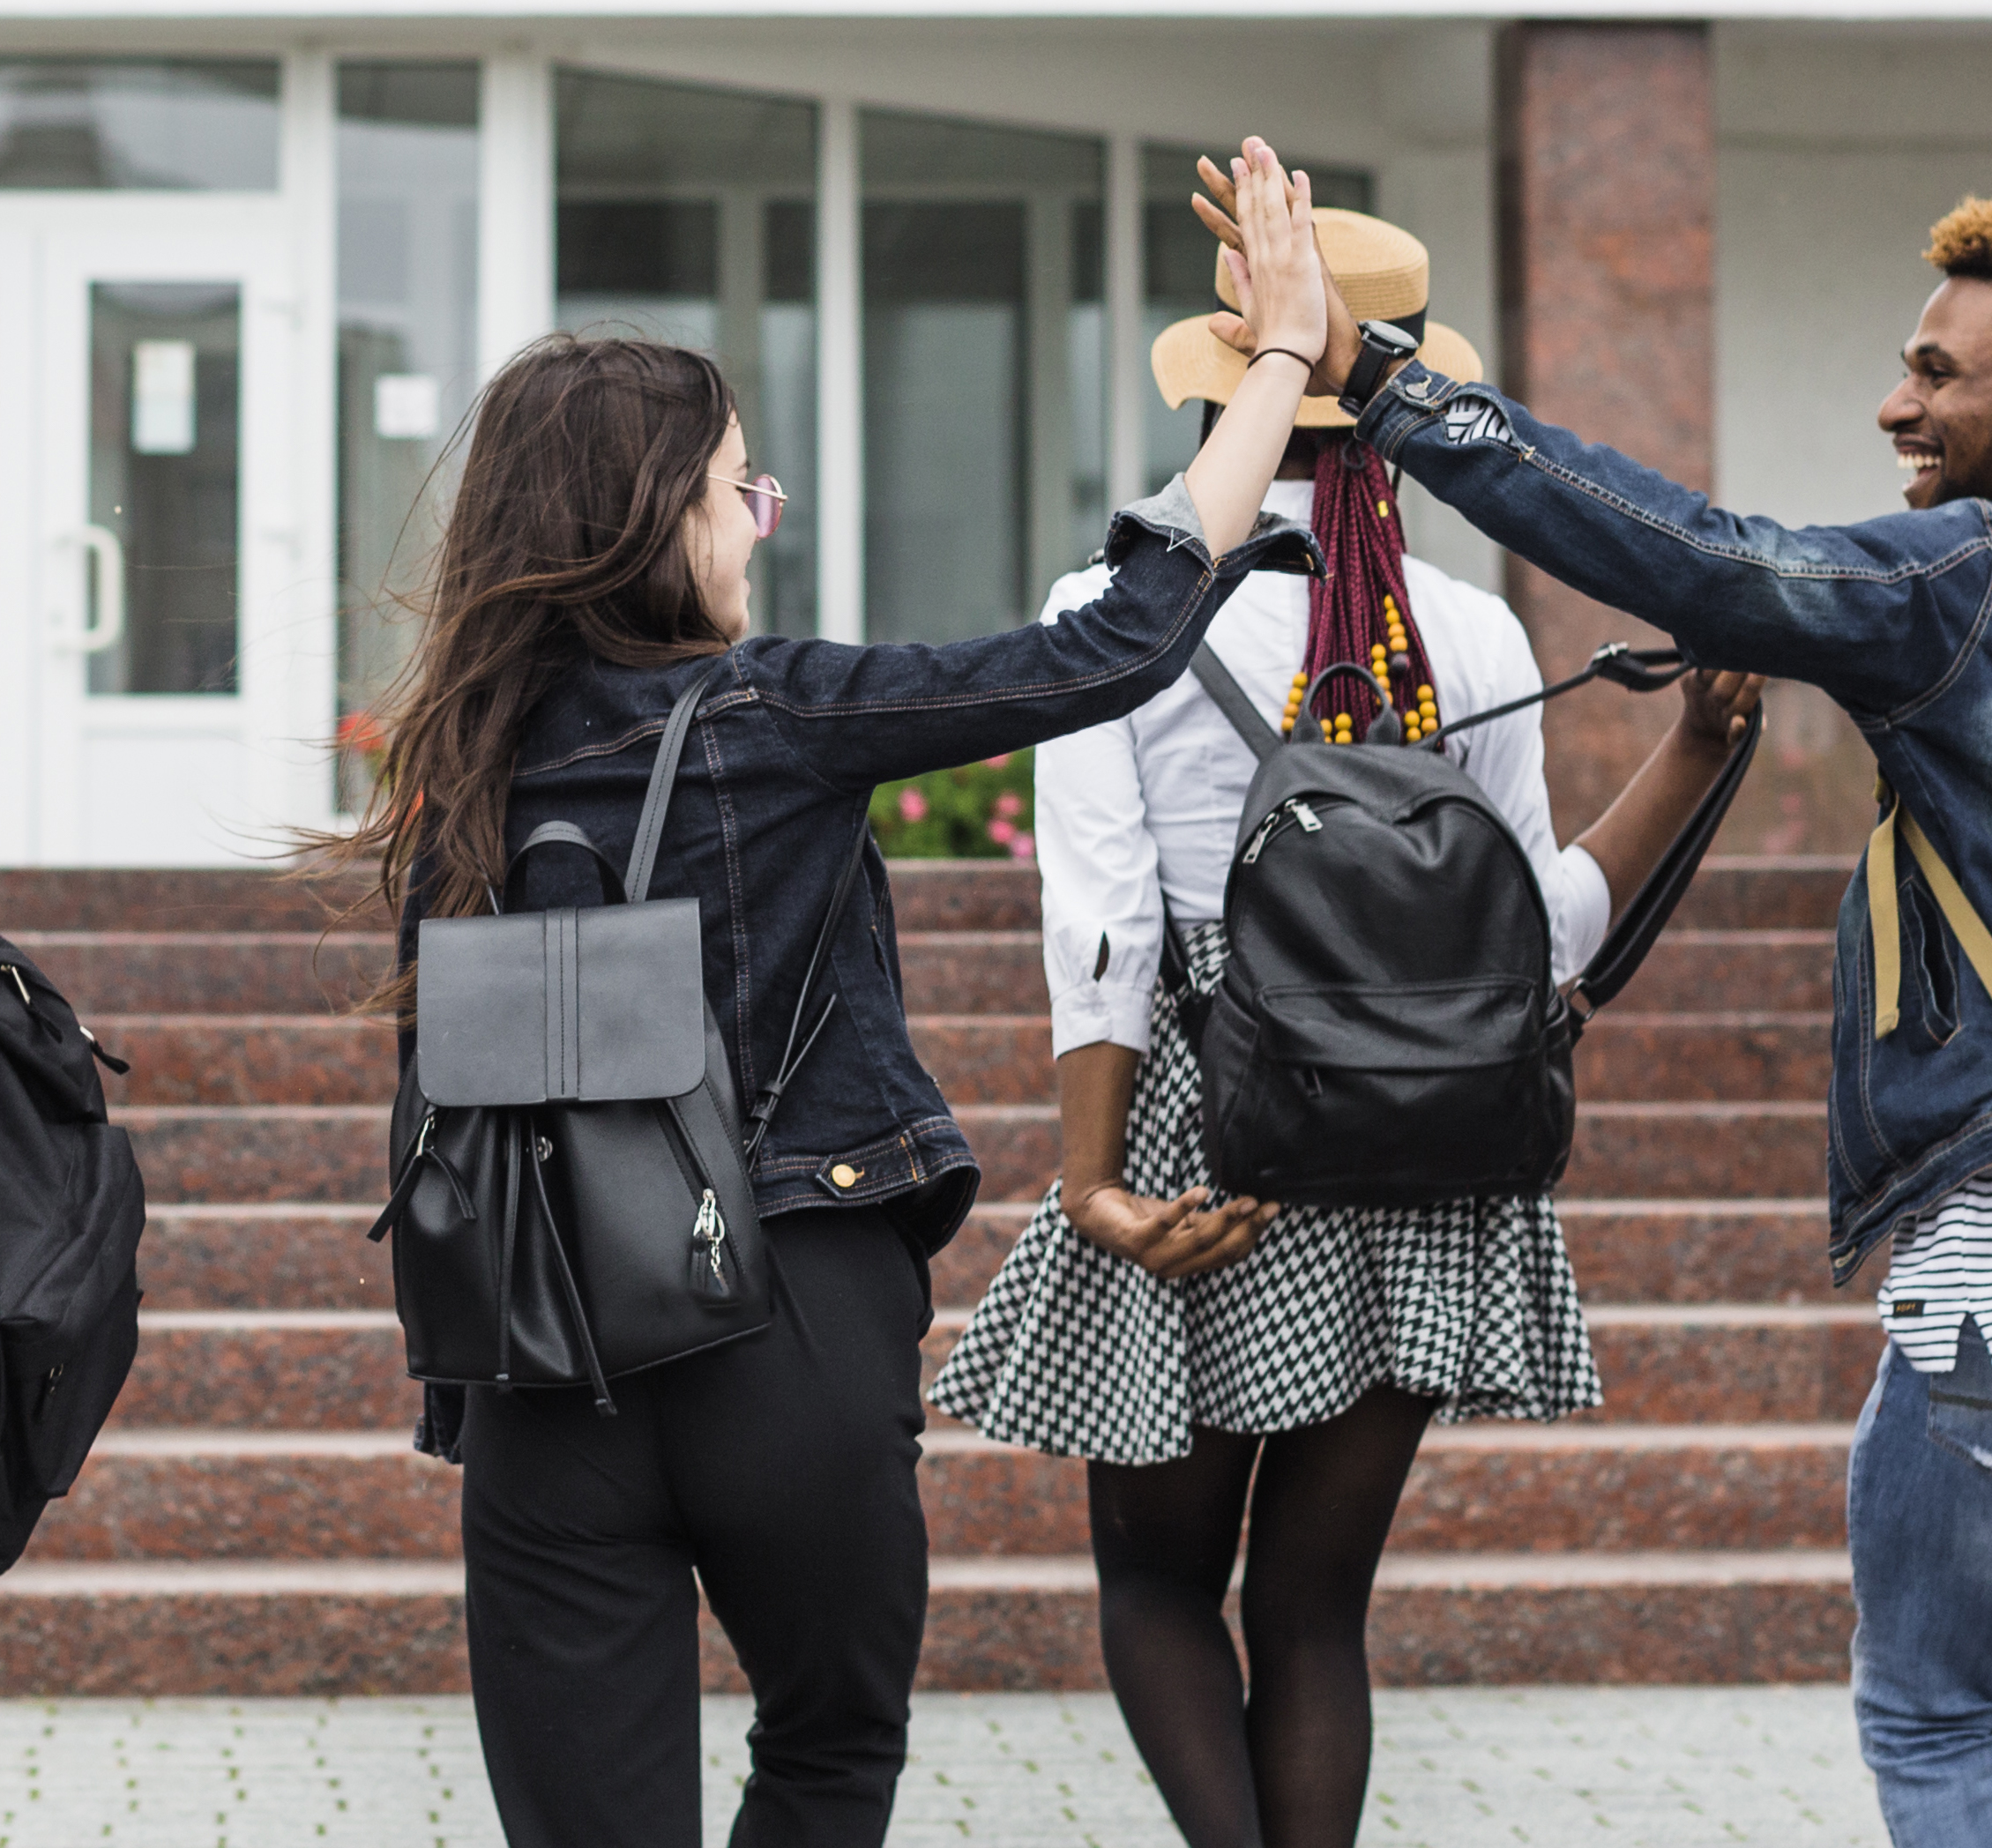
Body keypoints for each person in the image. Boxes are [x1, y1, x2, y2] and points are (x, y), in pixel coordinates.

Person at [1226, 170, 1992, 1848]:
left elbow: (1699, 556)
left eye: (1935, 371)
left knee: (1934, 1714)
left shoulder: (1979, 580)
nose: (1896, 402)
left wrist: (1369, 375)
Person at [328, 137, 1337, 1848]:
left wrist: (463, 1397)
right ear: (659, 514)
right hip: (786, 1306)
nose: (758, 524)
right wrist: (1286, 359)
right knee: (825, 1745)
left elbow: (448, 1103)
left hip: (538, 1352)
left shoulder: (459, 768)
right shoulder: (773, 711)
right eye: (744, 488)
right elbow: (1113, 642)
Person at [933, 209, 1760, 1848]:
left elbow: (1101, 924)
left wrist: (1091, 1179)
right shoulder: (1468, 630)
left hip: (1206, 1134)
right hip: (1420, 1150)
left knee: (1157, 1584)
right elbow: (1535, 951)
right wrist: (1686, 755)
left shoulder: (1115, 606)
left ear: (1218, 394)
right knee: (1315, 1609)